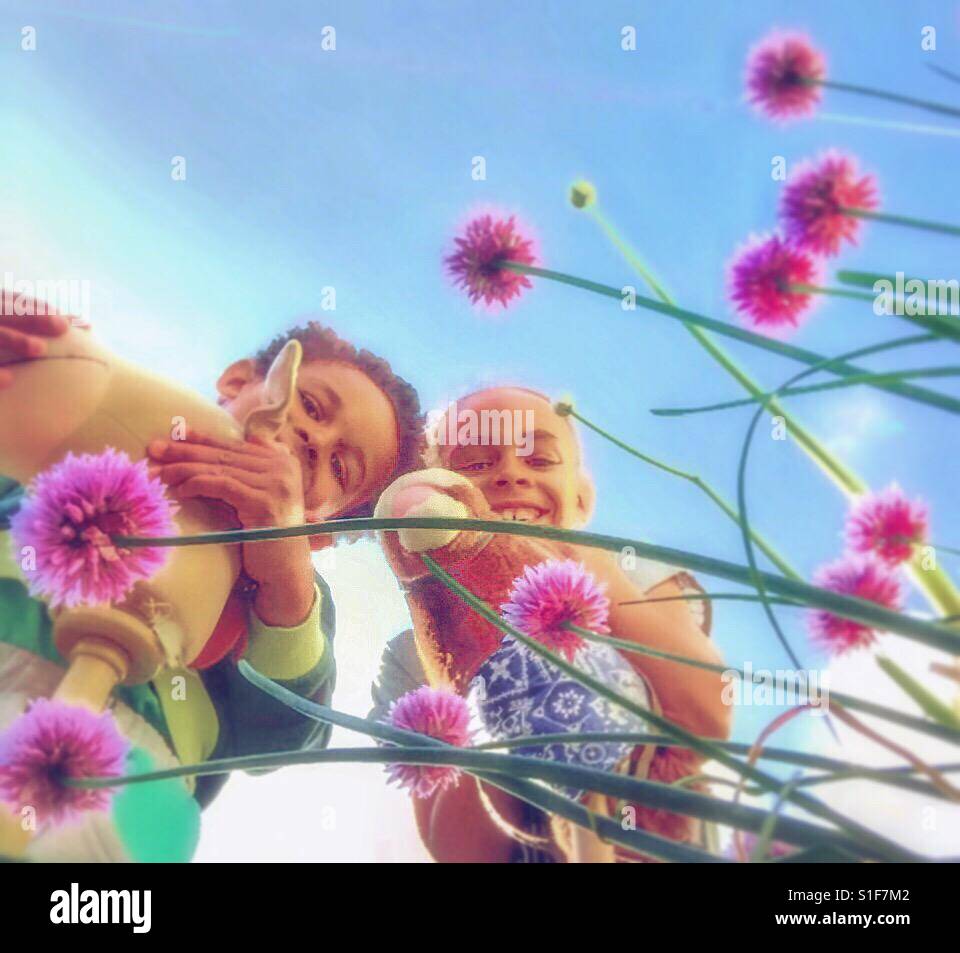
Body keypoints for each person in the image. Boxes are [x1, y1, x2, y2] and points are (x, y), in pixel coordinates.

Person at [0, 301, 423, 860]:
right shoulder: (101, 434)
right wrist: (38, 369)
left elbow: (282, 738)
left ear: (318, 532)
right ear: (240, 380)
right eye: (313, 405)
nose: (315, 441)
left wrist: (286, 579)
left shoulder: (288, 598)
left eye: (340, 470)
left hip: (130, 771)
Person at [371, 386, 731, 862]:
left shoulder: (634, 572)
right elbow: (462, 850)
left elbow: (705, 711)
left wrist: (578, 563)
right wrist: (469, 662)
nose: (510, 475)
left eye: (539, 460)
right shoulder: (412, 653)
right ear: (438, 498)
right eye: (475, 464)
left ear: (581, 500)